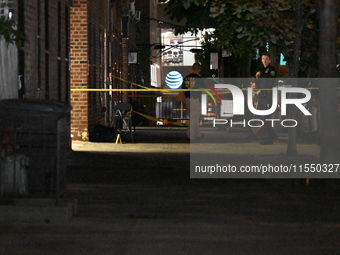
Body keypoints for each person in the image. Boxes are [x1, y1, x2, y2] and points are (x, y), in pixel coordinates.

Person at [254, 54, 278, 145]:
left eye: (266, 58)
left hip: (268, 97)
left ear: (270, 60)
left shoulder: (271, 70)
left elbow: (269, 83)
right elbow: (258, 83)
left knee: (266, 118)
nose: (264, 60)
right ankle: (273, 137)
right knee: (262, 118)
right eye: (263, 58)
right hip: (262, 97)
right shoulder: (260, 70)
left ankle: (270, 138)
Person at [182, 62, 203, 140]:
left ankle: (198, 133)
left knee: (193, 117)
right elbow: (203, 90)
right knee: (195, 117)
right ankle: (191, 134)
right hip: (195, 99)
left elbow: (183, 89)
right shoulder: (199, 78)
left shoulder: (187, 78)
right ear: (199, 69)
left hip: (188, 99)